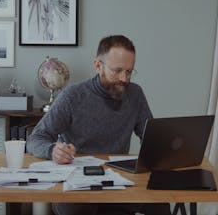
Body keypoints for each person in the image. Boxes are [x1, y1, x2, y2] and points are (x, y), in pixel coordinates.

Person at [27, 35, 171, 215]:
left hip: (119, 181)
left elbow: (150, 137)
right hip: (77, 185)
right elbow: (35, 139)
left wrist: (165, 148)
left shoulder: (135, 94)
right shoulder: (73, 96)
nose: (124, 78)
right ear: (98, 66)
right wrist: (52, 150)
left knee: (159, 203)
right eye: (117, 70)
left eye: (129, 71)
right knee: (79, 208)